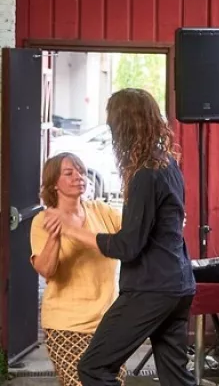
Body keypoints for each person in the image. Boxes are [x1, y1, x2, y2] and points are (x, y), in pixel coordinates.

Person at [46, 88, 196, 386]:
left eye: (112, 122)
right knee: (177, 378)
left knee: (94, 367)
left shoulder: (145, 174)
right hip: (178, 285)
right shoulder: (167, 164)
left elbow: (128, 246)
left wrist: (72, 229)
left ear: (124, 125)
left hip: (151, 289)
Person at [30, 153, 126, 386]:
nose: (79, 177)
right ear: (54, 182)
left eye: (81, 172)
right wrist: (56, 234)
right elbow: (46, 270)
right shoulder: (43, 221)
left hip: (107, 323)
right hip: (67, 324)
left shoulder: (102, 211)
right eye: (69, 173)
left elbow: (132, 239)